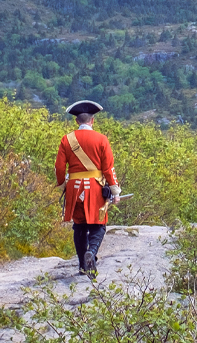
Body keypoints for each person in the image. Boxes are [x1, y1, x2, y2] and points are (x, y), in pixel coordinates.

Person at [54, 100, 120, 280]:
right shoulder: (101, 139)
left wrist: (61, 184)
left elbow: (59, 167)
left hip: (75, 190)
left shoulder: (66, 139)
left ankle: (83, 266)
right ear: (92, 121)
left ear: (77, 121)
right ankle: (91, 251)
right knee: (98, 224)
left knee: (80, 226)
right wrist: (115, 191)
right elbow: (108, 168)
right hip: (95, 189)